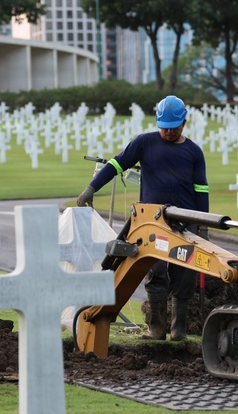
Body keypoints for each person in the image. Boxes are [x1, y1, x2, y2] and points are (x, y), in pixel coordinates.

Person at [76, 95, 209, 342]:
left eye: (174, 127)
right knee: (155, 273)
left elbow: (201, 190)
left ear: (184, 123)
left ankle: (179, 330)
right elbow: (116, 164)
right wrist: (91, 187)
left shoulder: (193, 152)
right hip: (153, 223)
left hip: (185, 222)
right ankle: (156, 328)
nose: (169, 132)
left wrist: (203, 228)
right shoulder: (144, 143)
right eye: (165, 127)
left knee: (184, 275)